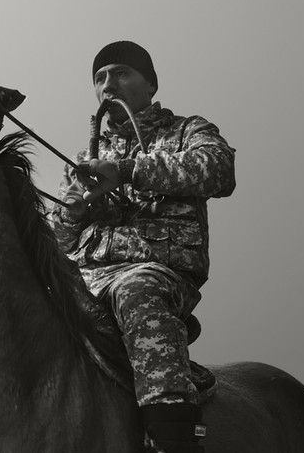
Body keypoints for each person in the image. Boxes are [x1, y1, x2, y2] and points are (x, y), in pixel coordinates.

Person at [51, 40, 236, 452]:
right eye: (99, 78)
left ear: (150, 85)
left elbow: (219, 169)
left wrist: (127, 170)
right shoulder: (82, 159)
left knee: (139, 290)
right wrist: (73, 212)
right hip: (87, 279)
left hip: (154, 272)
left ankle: (173, 438)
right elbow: (59, 241)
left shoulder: (187, 129)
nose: (107, 84)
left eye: (120, 73)